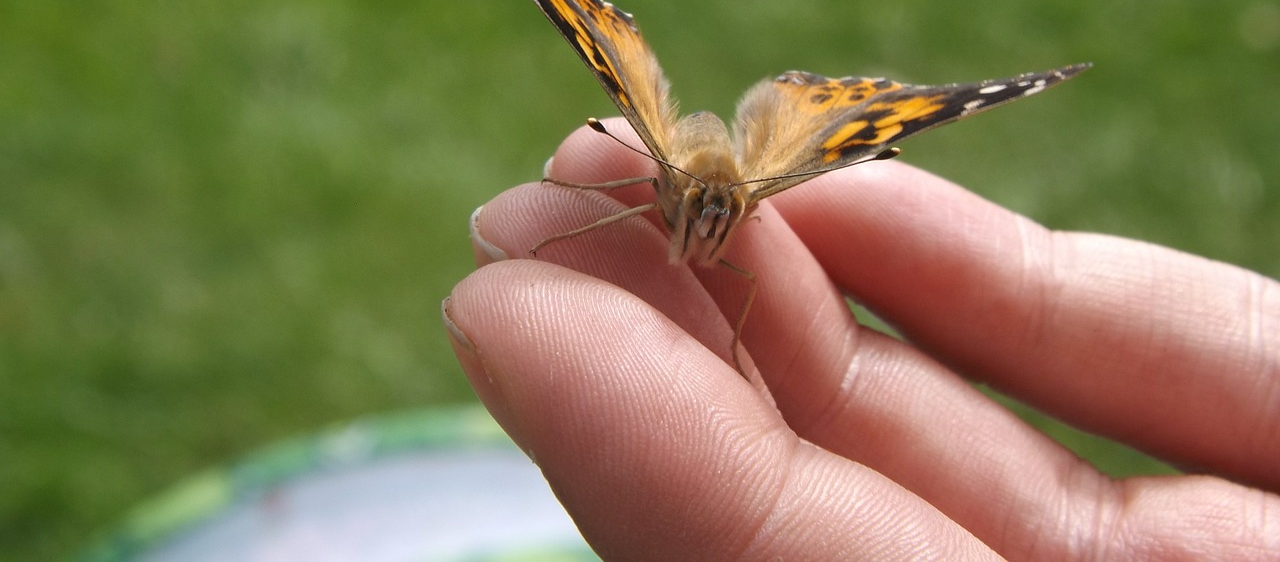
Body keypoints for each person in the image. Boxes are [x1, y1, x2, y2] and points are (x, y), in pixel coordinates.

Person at [443, 120, 1280, 559]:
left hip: (741, 169)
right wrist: (563, 228)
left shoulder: (741, 219)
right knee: (616, 189)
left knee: (738, 281)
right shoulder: (656, 172)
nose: (700, 237)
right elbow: (635, 181)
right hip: (672, 153)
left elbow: (734, 259)